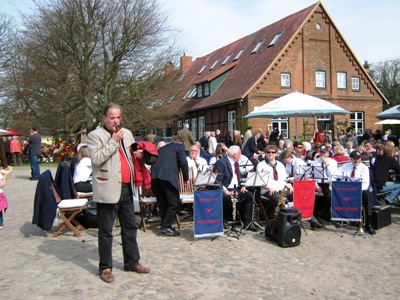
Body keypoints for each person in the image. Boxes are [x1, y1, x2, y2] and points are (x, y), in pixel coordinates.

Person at [87, 103, 150, 284]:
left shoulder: (127, 133)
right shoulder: (95, 136)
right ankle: (105, 267)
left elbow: (130, 155)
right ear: (104, 118)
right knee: (106, 230)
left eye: (118, 117)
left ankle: (132, 262)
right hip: (107, 188)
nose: (116, 121)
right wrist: (113, 141)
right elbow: (97, 159)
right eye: (112, 117)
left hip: (126, 188)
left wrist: (138, 154)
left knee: (130, 227)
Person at [151, 135, 189, 236]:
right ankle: (166, 226)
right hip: (168, 177)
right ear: (180, 143)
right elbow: (183, 162)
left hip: (155, 177)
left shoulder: (162, 149)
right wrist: (186, 178)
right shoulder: (179, 147)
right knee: (174, 203)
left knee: (163, 202)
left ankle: (165, 224)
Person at [213, 145, 256, 231]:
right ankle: (224, 220)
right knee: (226, 198)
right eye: (240, 153)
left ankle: (247, 222)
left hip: (236, 188)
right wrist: (226, 191)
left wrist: (243, 186)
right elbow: (217, 181)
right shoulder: (221, 163)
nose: (241, 155)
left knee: (249, 195)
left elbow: (240, 177)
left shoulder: (236, 163)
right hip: (226, 189)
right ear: (235, 155)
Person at [336, 150, 375, 235]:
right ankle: (339, 218)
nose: (357, 161)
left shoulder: (364, 168)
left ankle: (368, 223)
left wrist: (355, 190)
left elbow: (366, 184)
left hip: (359, 190)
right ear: (351, 159)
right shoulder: (345, 166)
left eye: (358, 159)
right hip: (346, 190)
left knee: (366, 194)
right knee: (335, 192)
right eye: (354, 159)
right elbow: (336, 175)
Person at [256, 145, 286, 219]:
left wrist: (290, 186)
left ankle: (306, 218)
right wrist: (269, 187)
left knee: (295, 194)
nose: (270, 154)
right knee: (277, 198)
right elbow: (259, 181)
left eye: (273, 152)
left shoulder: (280, 165)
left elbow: (283, 180)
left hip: (281, 189)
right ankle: (277, 219)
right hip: (267, 190)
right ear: (265, 154)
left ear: (276, 154)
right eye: (268, 152)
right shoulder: (261, 165)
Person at [311, 145, 338, 223]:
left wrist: (327, 165)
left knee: (331, 196)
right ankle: (313, 214)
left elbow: (334, 176)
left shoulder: (333, 162)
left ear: (328, 153)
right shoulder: (314, 162)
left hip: (327, 183)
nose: (323, 154)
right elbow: (311, 176)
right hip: (318, 183)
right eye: (321, 152)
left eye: (324, 153)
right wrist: (315, 184)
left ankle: (323, 213)